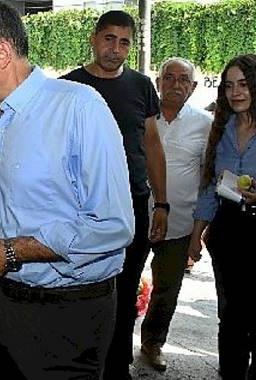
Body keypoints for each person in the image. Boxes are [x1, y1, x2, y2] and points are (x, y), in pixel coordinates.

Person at [0, 1, 135, 378]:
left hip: (67, 316)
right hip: (2, 306)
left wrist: (11, 250)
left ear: (2, 52)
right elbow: (2, 208)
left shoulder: (78, 108)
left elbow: (113, 225)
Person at [61, 11, 169, 379]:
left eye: (124, 42)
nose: (116, 49)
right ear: (94, 39)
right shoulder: (69, 87)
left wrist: (162, 203)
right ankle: (79, 364)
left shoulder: (141, 86)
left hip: (134, 205)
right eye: (109, 39)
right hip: (82, 210)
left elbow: (152, 145)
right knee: (83, 288)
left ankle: (116, 366)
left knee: (125, 292)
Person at [139, 58, 213, 372]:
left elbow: (207, 176)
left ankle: (152, 344)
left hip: (180, 222)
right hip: (135, 217)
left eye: (184, 79)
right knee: (123, 280)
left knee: (167, 288)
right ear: (157, 83)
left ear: (194, 87)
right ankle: (114, 345)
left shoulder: (205, 124)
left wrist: (200, 230)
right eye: (169, 77)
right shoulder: (142, 117)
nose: (176, 84)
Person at [188, 54, 256, 379]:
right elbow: (209, 188)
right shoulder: (223, 128)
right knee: (230, 317)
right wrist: (195, 236)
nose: (236, 92)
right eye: (229, 86)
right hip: (228, 231)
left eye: (243, 84)